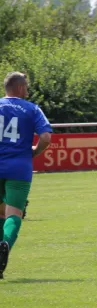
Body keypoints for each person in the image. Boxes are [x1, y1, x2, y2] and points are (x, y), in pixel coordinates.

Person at [0, 72, 52, 279]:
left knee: (1, 213)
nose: (28, 91)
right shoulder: (31, 109)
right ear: (20, 88)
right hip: (19, 167)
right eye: (27, 87)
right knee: (13, 214)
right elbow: (46, 137)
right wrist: (35, 152)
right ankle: (5, 245)